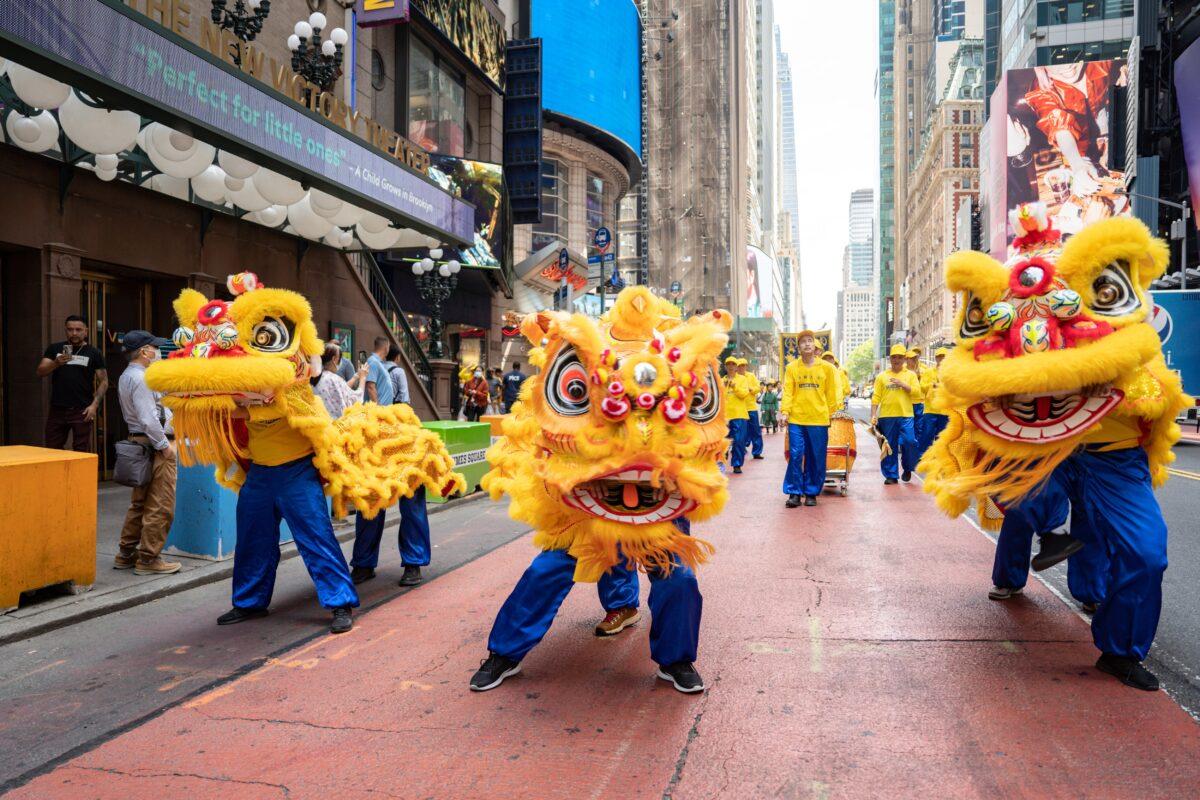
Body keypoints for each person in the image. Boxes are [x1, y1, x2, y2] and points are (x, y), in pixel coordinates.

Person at [351, 348, 432, 588]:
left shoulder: (388, 378)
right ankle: (364, 562)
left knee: (411, 497)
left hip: (403, 441)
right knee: (370, 500)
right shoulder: (356, 397)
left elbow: (404, 404)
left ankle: (413, 561)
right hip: (371, 444)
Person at [115, 330, 181, 576]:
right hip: (154, 445)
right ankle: (149, 558)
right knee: (160, 504)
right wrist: (165, 448)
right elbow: (148, 418)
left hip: (141, 444)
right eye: (154, 348)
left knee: (140, 502)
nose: (157, 352)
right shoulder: (141, 378)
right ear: (144, 351)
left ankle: (126, 553)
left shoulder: (128, 376)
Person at [988, 478, 1108, 614]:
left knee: (1089, 512)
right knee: (1021, 505)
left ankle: (1092, 591)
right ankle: (1009, 578)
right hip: (1041, 458)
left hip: (1088, 459)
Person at [781, 331, 840, 507]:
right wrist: (785, 411)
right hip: (797, 419)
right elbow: (788, 391)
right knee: (796, 454)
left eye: (809, 341)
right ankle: (794, 492)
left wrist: (832, 412)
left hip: (818, 419)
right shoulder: (792, 368)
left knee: (816, 456)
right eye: (803, 342)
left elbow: (832, 392)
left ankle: (811, 492)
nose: (807, 344)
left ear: (814, 346)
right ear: (798, 347)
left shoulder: (827, 368)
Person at [37, 315, 108, 452]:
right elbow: (40, 372)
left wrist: (94, 405)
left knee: (81, 449)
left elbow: (104, 381)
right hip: (58, 408)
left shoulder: (94, 353)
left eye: (78, 329)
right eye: (70, 329)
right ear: (65, 330)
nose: (74, 333)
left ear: (85, 331)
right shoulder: (55, 348)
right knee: (52, 448)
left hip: (82, 409)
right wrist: (56, 363)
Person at [870, 344, 922, 484]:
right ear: (890, 359)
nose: (896, 360)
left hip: (906, 415)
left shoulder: (910, 375)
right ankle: (891, 475)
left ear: (904, 359)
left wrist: (904, 385)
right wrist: (873, 415)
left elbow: (917, 392)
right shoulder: (882, 376)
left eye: (900, 357)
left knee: (910, 442)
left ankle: (908, 467)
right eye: (894, 357)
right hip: (887, 416)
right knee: (888, 446)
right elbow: (876, 397)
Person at [314, 342, 364, 420]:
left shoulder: (314, 378)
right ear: (334, 359)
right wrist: (363, 378)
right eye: (339, 359)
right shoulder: (335, 379)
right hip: (336, 428)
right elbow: (355, 399)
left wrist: (356, 376)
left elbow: (342, 390)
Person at [918, 347, 951, 455]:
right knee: (927, 435)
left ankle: (940, 457)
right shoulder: (928, 372)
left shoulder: (950, 373)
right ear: (936, 358)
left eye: (944, 357)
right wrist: (932, 385)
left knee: (942, 437)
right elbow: (922, 387)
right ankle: (924, 456)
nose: (941, 359)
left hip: (945, 410)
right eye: (939, 356)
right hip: (930, 409)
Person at [723, 355, 752, 474]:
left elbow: (744, 394)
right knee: (722, 442)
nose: (731, 366)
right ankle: (721, 461)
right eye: (728, 364)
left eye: (733, 364)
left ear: (736, 367)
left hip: (739, 415)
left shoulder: (742, 379)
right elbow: (719, 397)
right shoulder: (721, 380)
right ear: (725, 367)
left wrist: (734, 387)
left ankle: (737, 464)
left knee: (739, 441)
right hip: (724, 416)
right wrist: (724, 387)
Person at [739, 359, 765, 460]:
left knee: (756, 431)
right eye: (740, 366)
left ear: (746, 366)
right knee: (741, 431)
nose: (742, 367)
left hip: (751, 407)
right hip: (740, 409)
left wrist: (751, 389)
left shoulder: (751, 376)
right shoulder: (736, 378)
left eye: (743, 365)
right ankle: (741, 449)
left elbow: (758, 388)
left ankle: (757, 452)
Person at [365, 336, 394, 406]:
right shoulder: (373, 361)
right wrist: (377, 408)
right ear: (386, 348)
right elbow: (370, 387)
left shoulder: (378, 362)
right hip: (378, 411)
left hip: (383, 410)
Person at [905, 348, 926, 446]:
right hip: (907, 402)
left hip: (919, 401)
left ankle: (917, 445)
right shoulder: (903, 371)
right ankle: (906, 445)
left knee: (919, 425)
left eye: (915, 357)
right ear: (906, 359)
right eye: (911, 358)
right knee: (907, 426)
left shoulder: (923, 370)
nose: (914, 360)